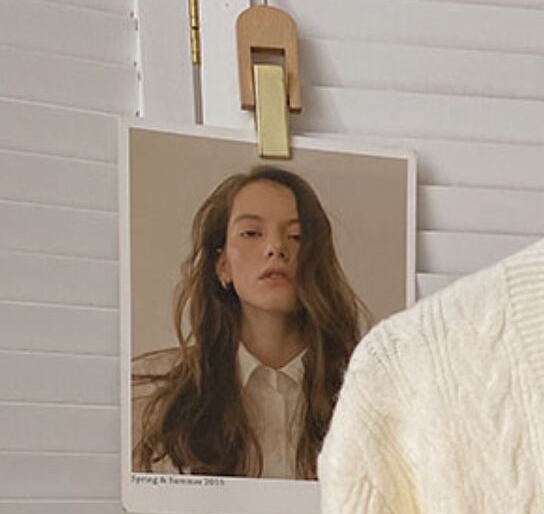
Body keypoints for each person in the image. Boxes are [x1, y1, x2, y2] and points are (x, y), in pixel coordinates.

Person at [131, 164, 370, 478]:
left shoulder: (367, 393)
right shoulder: (155, 397)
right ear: (222, 266)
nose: (276, 248)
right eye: (251, 234)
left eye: (296, 236)